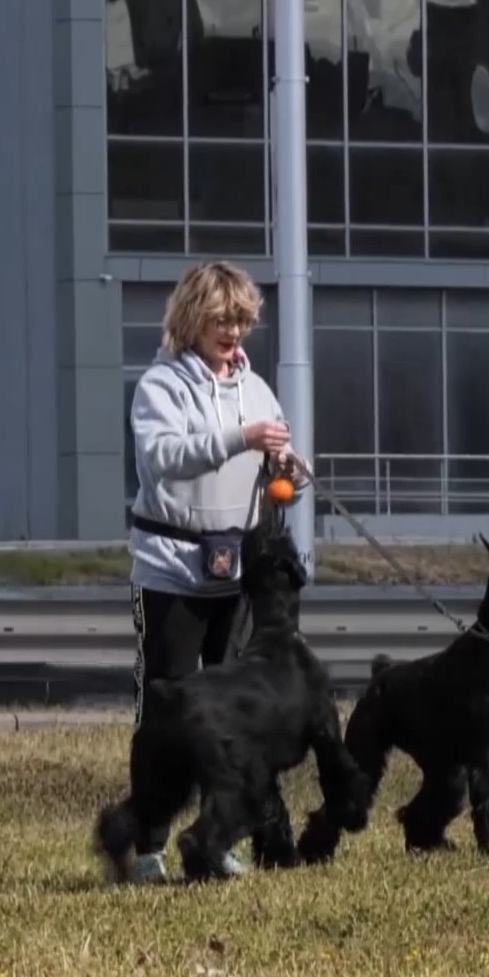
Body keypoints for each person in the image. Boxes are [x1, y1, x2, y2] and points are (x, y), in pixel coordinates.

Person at [123, 260, 306, 883]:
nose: (234, 333)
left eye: (242, 321)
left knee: (233, 718)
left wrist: (290, 473)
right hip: (172, 573)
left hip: (236, 575)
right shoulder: (160, 387)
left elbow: (271, 471)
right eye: (222, 320)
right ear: (192, 319)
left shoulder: (257, 391)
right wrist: (239, 437)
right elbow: (163, 459)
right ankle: (147, 845)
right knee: (167, 713)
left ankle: (216, 839)